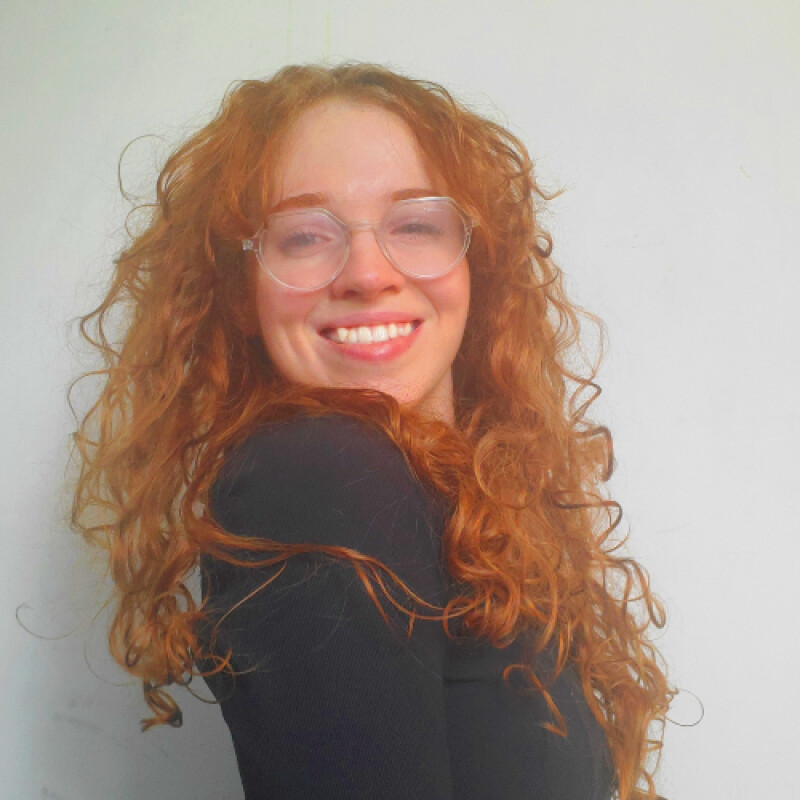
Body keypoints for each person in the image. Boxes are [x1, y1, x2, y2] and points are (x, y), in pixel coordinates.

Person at [72, 63, 672, 799]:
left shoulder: (461, 504)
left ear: (475, 262)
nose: (367, 272)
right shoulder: (318, 475)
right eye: (303, 235)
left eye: (415, 225)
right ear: (241, 292)